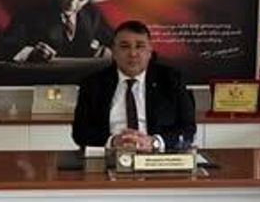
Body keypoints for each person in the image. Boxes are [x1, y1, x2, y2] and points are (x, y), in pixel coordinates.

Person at [72, 20, 196, 151]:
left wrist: (154, 142)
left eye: (139, 46)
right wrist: (113, 142)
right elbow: (80, 133)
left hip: (156, 157)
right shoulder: (93, 84)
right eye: (125, 46)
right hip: (111, 156)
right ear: (114, 52)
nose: (132, 53)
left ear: (149, 51)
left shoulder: (172, 80)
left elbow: (188, 129)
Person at [1, 0, 113, 63]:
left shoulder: (92, 15)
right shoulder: (32, 11)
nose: (72, 3)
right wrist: (31, 53)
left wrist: (106, 52)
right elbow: (7, 46)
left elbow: (115, 43)